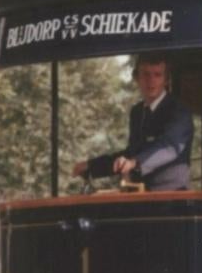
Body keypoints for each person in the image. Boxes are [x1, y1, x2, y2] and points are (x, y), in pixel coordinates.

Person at [73, 54, 193, 191]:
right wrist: (91, 167)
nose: (151, 81)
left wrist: (134, 163)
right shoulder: (137, 112)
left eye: (157, 75)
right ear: (137, 78)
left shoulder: (178, 112)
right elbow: (131, 153)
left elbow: (169, 147)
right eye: (146, 74)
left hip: (172, 199)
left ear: (166, 80)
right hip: (139, 196)